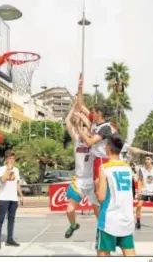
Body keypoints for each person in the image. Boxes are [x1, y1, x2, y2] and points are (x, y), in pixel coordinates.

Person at [64, 101, 99, 239]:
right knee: (69, 209)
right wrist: (74, 106)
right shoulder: (77, 140)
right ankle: (73, 225)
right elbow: (68, 122)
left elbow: (91, 126)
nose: (83, 130)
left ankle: (101, 230)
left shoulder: (94, 143)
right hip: (78, 180)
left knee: (97, 211)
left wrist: (82, 118)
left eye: (86, 129)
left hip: (91, 180)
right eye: (81, 129)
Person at [96, 134, 135, 257]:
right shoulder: (128, 168)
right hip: (127, 217)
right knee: (129, 252)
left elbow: (101, 198)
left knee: (103, 253)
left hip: (109, 219)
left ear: (108, 148)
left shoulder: (104, 168)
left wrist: (97, 185)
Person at [0, 150, 23, 249]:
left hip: (13, 198)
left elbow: (17, 183)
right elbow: (2, 180)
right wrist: (8, 169)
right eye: (10, 158)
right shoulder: (1, 169)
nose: (12, 160)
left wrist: (21, 195)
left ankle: (10, 239)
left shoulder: (16, 170)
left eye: (13, 158)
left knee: (11, 219)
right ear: (6, 159)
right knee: (0, 219)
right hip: (3, 198)